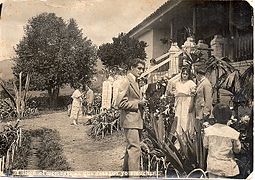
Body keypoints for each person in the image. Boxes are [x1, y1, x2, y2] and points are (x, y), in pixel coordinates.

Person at [115, 58, 147, 173]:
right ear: (132, 68)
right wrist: (138, 103)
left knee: (131, 148)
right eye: (139, 68)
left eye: (143, 69)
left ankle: (125, 173)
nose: (141, 71)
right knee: (134, 149)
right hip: (130, 120)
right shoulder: (126, 82)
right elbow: (120, 103)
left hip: (136, 120)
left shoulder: (136, 81)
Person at [203, 103, 241, 178]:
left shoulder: (208, 131)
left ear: (214, 116)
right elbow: (237, 150)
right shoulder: (233, 133)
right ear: (229, 117)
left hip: (212, 165)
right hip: (227, 167)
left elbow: (205, 145)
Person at [172, 66, 196, 135]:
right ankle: (178, 136)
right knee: (178, 118)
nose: (184, 75)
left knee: (185, 119)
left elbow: (192, 95)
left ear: (189, 75)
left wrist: (191, 104)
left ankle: (185, 136)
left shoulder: (191, 83)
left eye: (186, 74)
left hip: (187, 102)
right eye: (183, 74)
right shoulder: (177, 83)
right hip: (179, 102)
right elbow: (174, 93)